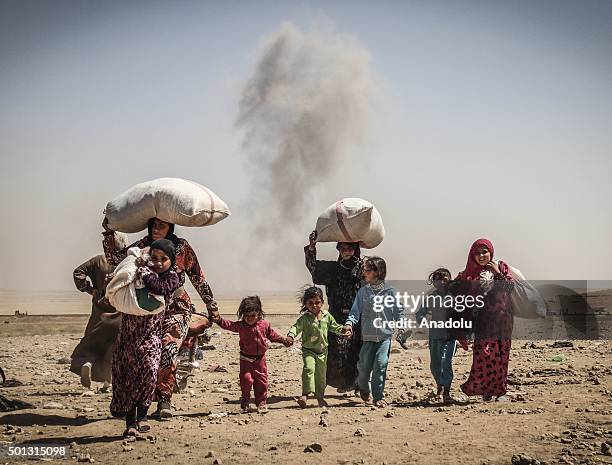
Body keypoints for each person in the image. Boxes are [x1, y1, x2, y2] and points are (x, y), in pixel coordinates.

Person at [102, 216, 220, 418]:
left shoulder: (182, 248)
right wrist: (109, 233)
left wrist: (212, 306)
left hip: (177, 307)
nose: (156, 229)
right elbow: (114, 259)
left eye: (161, 225)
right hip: (147, 311)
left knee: (168, 347)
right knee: (139, 355)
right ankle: (135, 404)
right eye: (153, 225)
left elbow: (198, 278)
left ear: (170, 227)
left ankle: (164, 400)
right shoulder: (142, 247)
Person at [110, 239, 180, 437]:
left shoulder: (171, 278)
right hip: (128, 338)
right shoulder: (136, 272)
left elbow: (159, 288)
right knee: (129, 380)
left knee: (149, 377)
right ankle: (131, 423)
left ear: (171, 261)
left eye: (163, 259)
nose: (158, 262)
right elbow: (121, 281)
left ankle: (143, 416)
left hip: (150, 338)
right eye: (154, 258)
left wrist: (144, 272)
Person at [454, 238, 514, 401]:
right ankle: (487, 391)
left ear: (491, 252)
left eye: (484, 251)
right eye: (477, 253)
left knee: (501, 355)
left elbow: (510, 288)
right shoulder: (468, 275)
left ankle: (500, 391)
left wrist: (497, 273)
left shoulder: (501, 267)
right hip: (482, 321)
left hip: (503, 320)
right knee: (484, 355)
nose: (481, 255)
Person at [304, 230, 363, 393]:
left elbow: (375, 280)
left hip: (358, 317)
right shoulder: (332, 269)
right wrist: (312, 247)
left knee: (357, 351)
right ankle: (345, 383)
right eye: (342, 249)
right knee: (338, 351)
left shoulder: (362, 269)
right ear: (339, 250)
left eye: (349, 249)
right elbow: (313, 268)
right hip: (336, 316)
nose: (346, 252)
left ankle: (358, 383)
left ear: (355, 250)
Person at [344, 256, 405, 408]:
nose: (364, 272)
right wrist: (349, 324)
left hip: (384, 337)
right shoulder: (363, 292)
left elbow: (398, 311)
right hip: (368, 337)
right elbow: (355, 311)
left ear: (378, 272)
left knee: (381, 363)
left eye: (368, 269)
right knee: (364, 367)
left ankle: (378, 397)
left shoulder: (390, 292)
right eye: (364, 269)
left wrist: (402, 327)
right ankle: (363, 387)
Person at [70, 233, 128, 391]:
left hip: (99, 316)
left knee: (91, 345)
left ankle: (88, 363)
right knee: (114, 347)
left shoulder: (97, 261)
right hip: (121, 315)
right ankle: (108, 383)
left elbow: (78, 273)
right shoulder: (127, 263)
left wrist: (91, 290)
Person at [212, 296, 290, 413]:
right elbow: (228, 324)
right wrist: (218, 320)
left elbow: (272, 335)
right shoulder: (241, 326)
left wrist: (284, 340)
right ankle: (245, 402)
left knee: (261, 382)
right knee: (246, 380)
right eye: (246, 316)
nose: (249, 319)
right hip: (246, 359)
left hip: (260, 360)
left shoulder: (264, 325)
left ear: (259, 313)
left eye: (252, 315)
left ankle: (261, 403)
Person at [286, 286, 349, 408]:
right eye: (310, 303)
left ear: (322, 302)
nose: (314, 305)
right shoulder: (305, 319)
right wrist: (290, 336)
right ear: (305, 304)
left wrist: (343, 330)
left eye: (317, 302)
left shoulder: (326, 316)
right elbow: (296, 327)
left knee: (321, 375)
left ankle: (320, 397)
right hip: (309, 351)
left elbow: (334, 326)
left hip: (323, 352)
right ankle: (305, 395)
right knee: (309, 370)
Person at [415, 268, 459, 403]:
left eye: (444, 279)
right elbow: (420, 313)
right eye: (437, 279)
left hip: (450, 336)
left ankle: (446, 392)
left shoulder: (454, 297)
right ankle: (439, 385)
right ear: (434, 282)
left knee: (446, 362)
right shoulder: (431, 297)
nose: (441, 282)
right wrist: (422, 321)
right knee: (435, 365)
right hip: (434, 335)